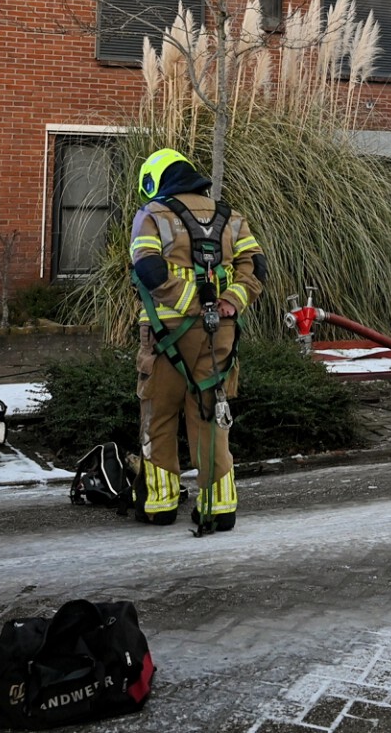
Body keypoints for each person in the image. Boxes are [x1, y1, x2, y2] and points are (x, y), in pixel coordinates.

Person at [127, 148, 263, 532]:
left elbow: (147, 265)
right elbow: (256, 266)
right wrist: (230, 303)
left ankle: (159, 504)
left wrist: (186, 302)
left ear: (155, 181)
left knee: (159, 414)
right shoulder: (231, 216)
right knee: (210, 414)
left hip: (164, 336)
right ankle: (218, 506)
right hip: (218, 334)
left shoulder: (151, 214)